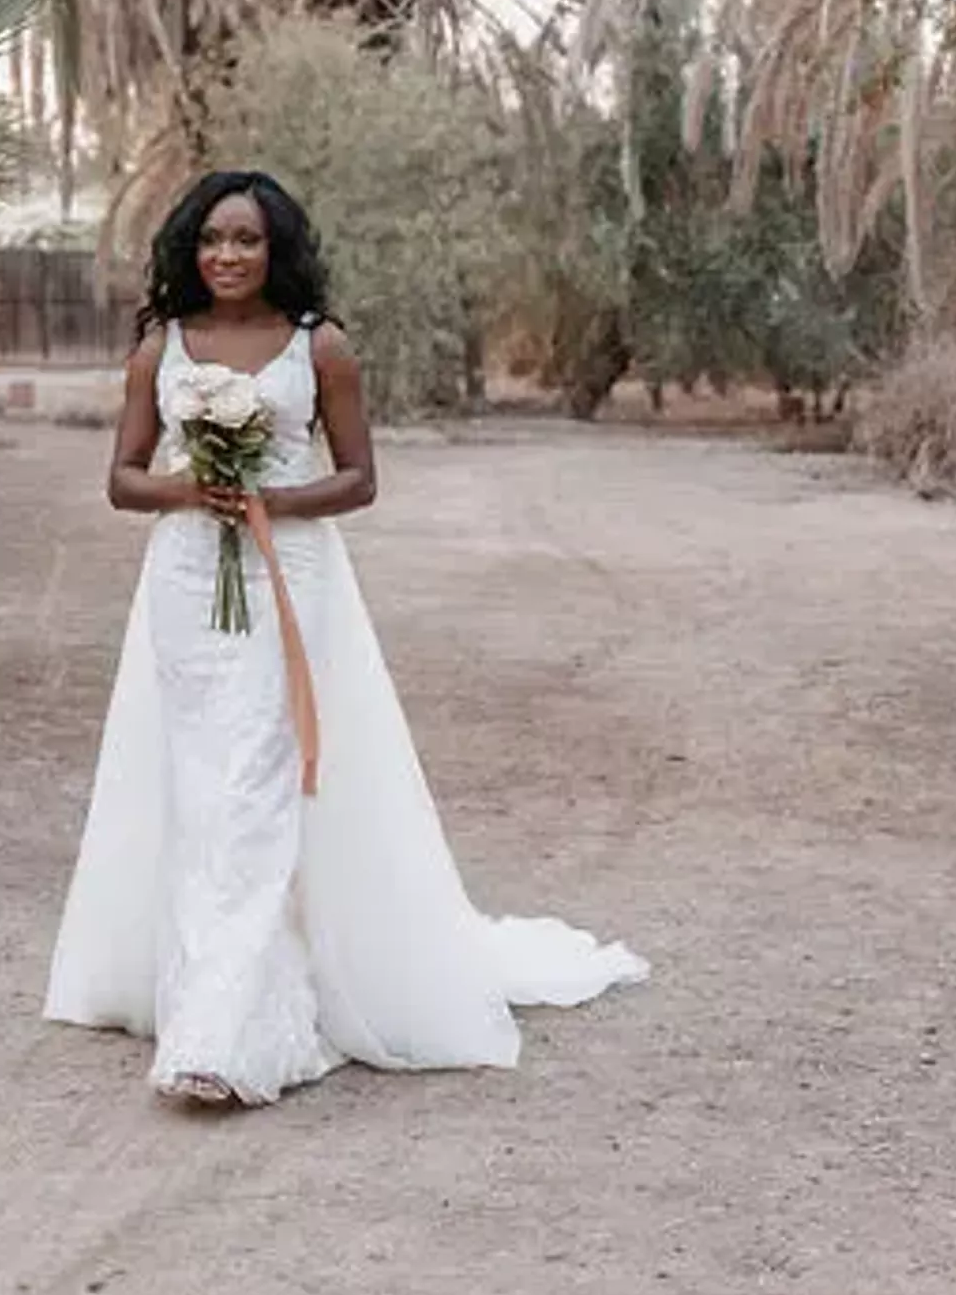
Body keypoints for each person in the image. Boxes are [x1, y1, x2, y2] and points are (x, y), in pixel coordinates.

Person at [42, 167, 648, 1108]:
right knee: (202, 785)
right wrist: (193, 489)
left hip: (295, 578)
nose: (228, 255)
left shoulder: (321, 348)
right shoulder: (158, 348)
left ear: (276, 247)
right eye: (212, 238)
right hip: (185, 583)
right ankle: (215, 976)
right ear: (186, 249)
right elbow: (123, 479)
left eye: (246, 239)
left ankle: (224, 1031)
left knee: (258, 779)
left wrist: (270, 501)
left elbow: (359, 478)